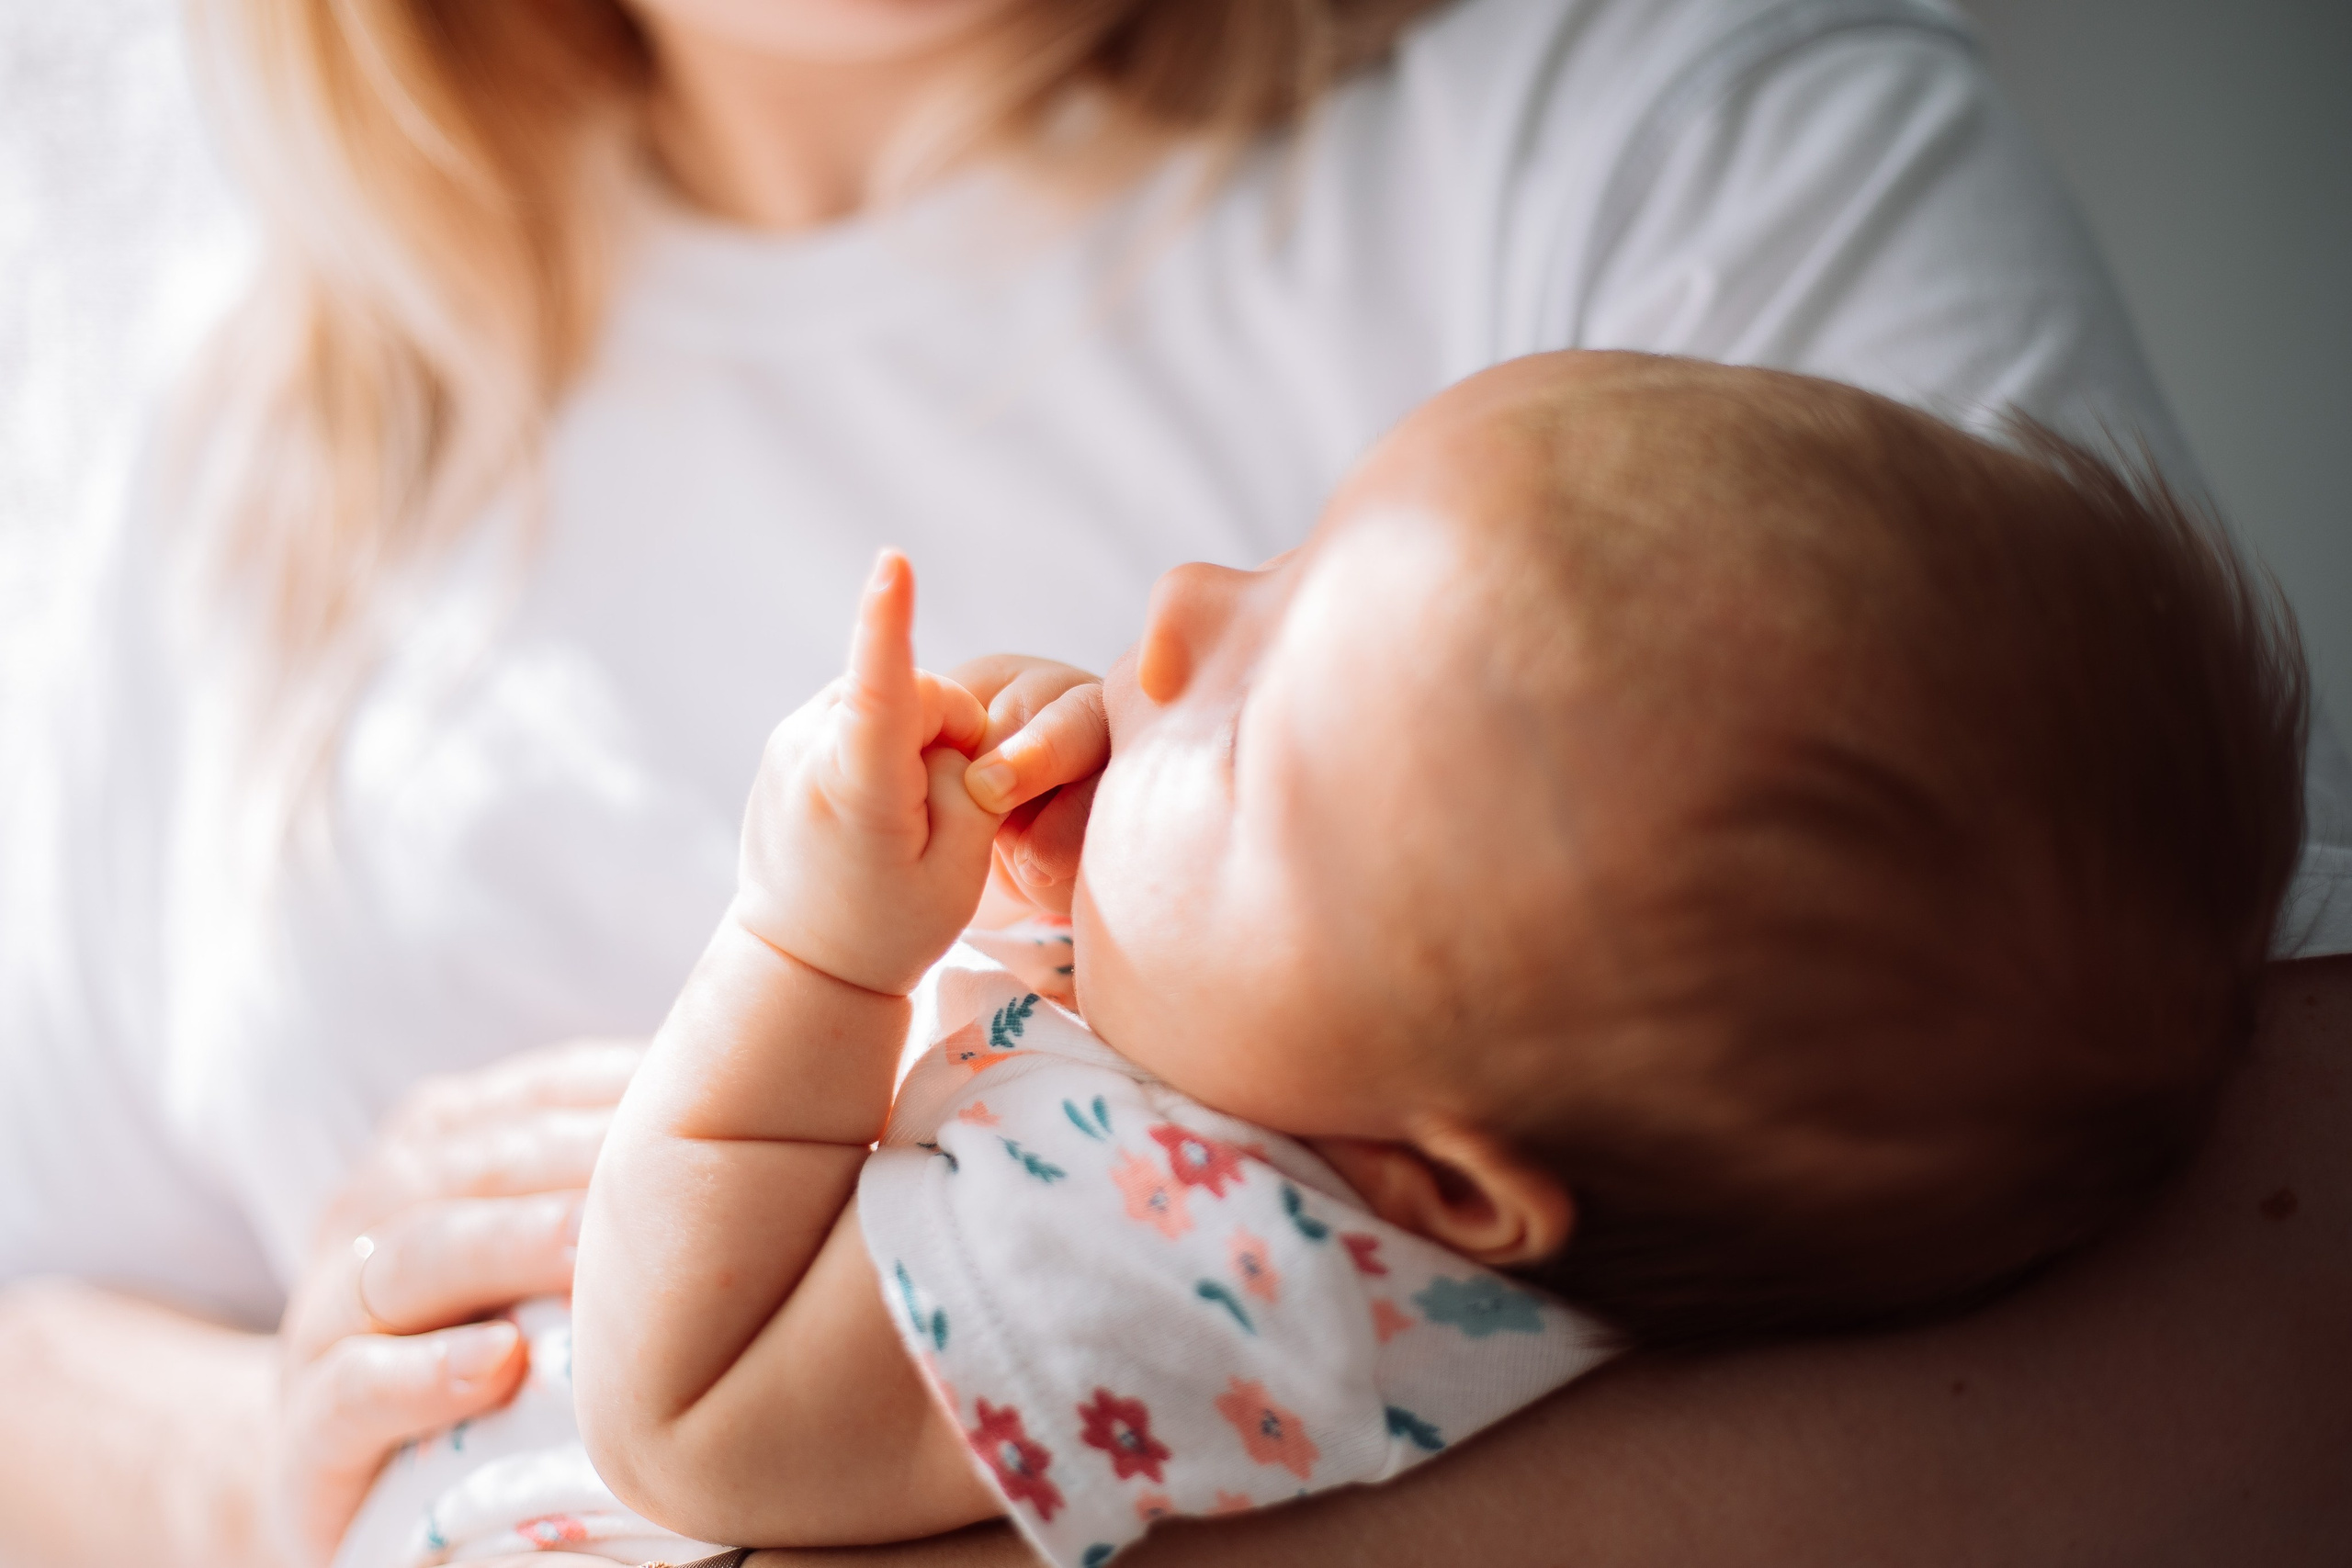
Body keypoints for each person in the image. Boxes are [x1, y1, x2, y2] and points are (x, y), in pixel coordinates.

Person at [0, 2, 2346, 1567]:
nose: (1166, 622)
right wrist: (247, 1467)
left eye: (1256, 731)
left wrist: (818, 949)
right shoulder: (185, 290)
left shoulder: (1657, 120)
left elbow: (2257, 1233)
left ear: (1433, 1176)